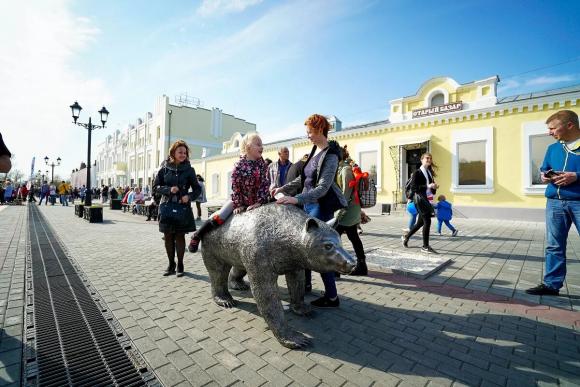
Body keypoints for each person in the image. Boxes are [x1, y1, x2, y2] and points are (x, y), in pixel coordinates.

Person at [274, 114, 347, 308]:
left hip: (320, 207)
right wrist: (283, 189)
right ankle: (305, 285)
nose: (308, 136)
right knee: (305, 246)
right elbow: (304, 180)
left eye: (310, 132)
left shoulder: (330, 155)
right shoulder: (315, 151)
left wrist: (295, 198)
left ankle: (332, 297)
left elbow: (322, 187)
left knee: (317, 250)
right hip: (308, 204)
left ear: (320, 130)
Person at [526, 110, 580, 296]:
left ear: (569, 125)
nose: (550, 132)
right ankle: (552, 284)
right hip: (555, 203)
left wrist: (577, 176)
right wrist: (544, 176)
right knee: (554, 245)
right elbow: (544, 169)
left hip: (578, 202)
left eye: (553, 128)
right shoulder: (553, 148)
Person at [188, 133, 270, 253]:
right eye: (258, 144)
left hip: (258, 200)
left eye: (262, 144)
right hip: (240, 199)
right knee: (221, 215)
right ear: (247, 147)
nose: (261, 147)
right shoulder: (239, 166)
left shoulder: (262, 165)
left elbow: (265, 184)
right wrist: (238, 204)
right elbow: (236, 187)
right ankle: (198, 235)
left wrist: (259, 202)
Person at [154, 140, 201, 277]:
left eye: (185, 153)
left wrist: (189, 196)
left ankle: (180, 264)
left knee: (180, 236)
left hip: (182, 208)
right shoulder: (164, 169)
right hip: (167, 207)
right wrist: (169, 189)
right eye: (180, 152)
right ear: (173, 153)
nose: (183, 154)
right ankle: (171, 264)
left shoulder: (189, 170)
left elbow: (197, 189)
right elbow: (155, 187)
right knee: (168, 237)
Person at [335, 145, 367, 276]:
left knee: (335, 236)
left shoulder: (346, 169)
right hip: (349, 208)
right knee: (353, 236)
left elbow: (346, 192)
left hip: (348, 209)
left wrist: (339, 209)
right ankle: (361, 265)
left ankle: (337, 268)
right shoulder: (342, 167)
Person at [402, 152, 439, 253]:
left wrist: (434, 187)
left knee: (420, 223)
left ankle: (406, 237)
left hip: (427, 199)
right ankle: (425, 246)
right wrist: (428, 186)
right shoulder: (417, 172)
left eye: (430, 158)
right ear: (421, 160)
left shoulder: (430, 173)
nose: (429, 160)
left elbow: (432, 190)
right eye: (427, 158)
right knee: (428, 221)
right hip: (419, 200)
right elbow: (414, 188)